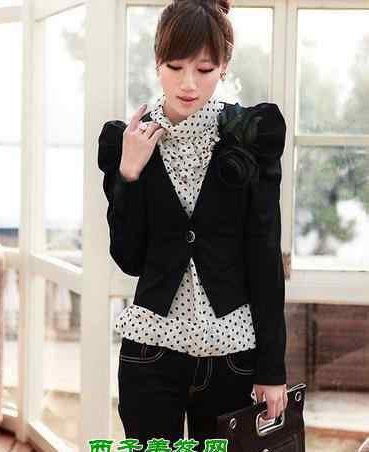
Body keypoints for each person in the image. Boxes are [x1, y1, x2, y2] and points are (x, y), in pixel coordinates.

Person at [97, 0, 288, 448]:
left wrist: (272, 369)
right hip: (150, 354)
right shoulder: (127, 140)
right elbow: (128, 258)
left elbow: (264, 256)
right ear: (157, 61)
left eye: (204, 69)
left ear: (224, 65)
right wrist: (128, 175)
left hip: (232, 354)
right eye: (175, 67)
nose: (188, 83)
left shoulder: (250, 135)